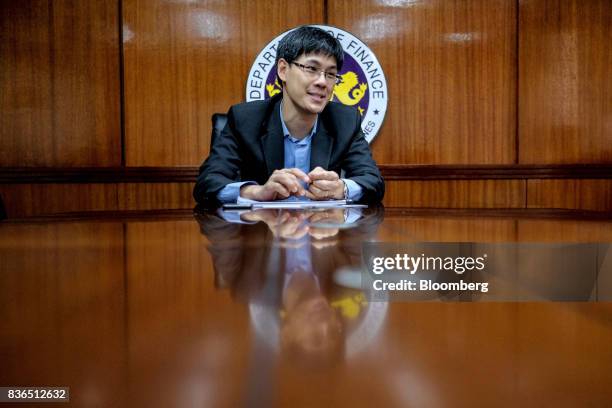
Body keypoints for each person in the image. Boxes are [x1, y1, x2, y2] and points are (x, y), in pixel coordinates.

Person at [193, 25, 384, 206]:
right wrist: (256, 192)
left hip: (322, 235)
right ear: (283, 70)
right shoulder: (245, 119)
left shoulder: (345, 121)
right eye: (311, 69)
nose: (322, 82)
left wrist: (341, 189)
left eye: (331, 74)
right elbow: (207, 184)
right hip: (263, 234)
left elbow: (373, 181)